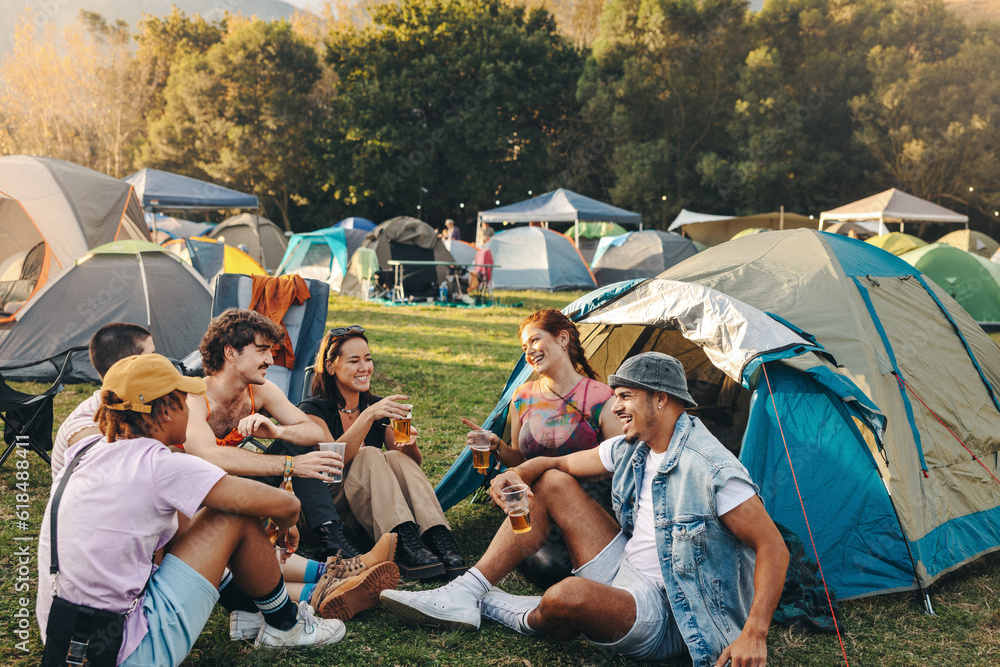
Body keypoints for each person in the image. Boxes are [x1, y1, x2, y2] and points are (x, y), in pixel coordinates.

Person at [381, 352, 790, 667]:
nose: (615, 409)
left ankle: (506, 608)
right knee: (553, 484)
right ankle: (467, 591)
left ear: (661, 400)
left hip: (670, 613)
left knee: (566, 596)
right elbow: (557, 467)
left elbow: (773, 546)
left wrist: (754, 632)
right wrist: (515, 474)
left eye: (626, 397)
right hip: (623, 568)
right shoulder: (636, 444)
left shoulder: (714, 470)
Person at [36, 354, 346, 667]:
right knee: (231, 514)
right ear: (166, 412)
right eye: (185, 401)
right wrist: (285, 526)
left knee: (186, 519)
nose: (192, 410)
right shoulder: (161, 466)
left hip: (65, 639)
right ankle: (286, 625)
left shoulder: (86, 451)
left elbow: (182, 532)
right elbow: (285, 504)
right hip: (124, 652)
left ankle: (250, 608)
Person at [273, 324, 466, 581]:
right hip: (329, 511)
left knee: (394, 457)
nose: (364, 367)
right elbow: (332, 465)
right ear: (331, 366)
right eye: (354, 360)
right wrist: (368, 417)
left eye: (368, 359)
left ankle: (437, 538)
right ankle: (403, 544)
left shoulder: (374, 406)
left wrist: (409, 443)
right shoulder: (313, 410)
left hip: (369, 508)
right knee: (370, 454)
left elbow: (411, 464)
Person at [460, 308, 623, 587]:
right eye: (525, 347)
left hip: (589, 507)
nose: (529, 352)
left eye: (535, 341)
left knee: (563, 570)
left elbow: (619, 466)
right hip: (536, 509)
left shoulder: (602, 398)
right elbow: (520, 459)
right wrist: (497, 445)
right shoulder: (522, 397)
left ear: (562, 339)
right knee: (547, 570)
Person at [183, 308, 362, 558]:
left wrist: (277, 431)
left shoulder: (261, 391)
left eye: (270, 351)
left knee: (298, 439)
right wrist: (291, 465)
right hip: (200, 496)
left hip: (241, 486)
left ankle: (331, 535)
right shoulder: (195, 397)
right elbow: (210, 456)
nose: (270, 360)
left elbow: (313, 432)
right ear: (231, 352)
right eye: (262, 350)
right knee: (297, 454)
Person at [51, 322, 155, 477]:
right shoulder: (88, 428)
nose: (161, 364)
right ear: (127, 368)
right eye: (152, 358)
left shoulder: (133, 405)